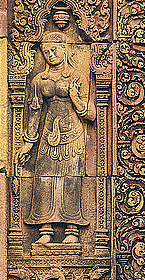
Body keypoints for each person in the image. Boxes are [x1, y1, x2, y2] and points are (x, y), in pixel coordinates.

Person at [16, 32, 94, 244]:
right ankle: (45, 229)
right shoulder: (39, 80)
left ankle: (71, 230)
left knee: (71, 179)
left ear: (65, 49)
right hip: (49, 135)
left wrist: (76, 97)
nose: (50, 55)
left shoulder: (78, 77)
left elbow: (91, 114)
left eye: (54, 50)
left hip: (73, 135)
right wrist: (28, 143)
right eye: (46, 52)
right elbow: (34, 112)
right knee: (43, 178)